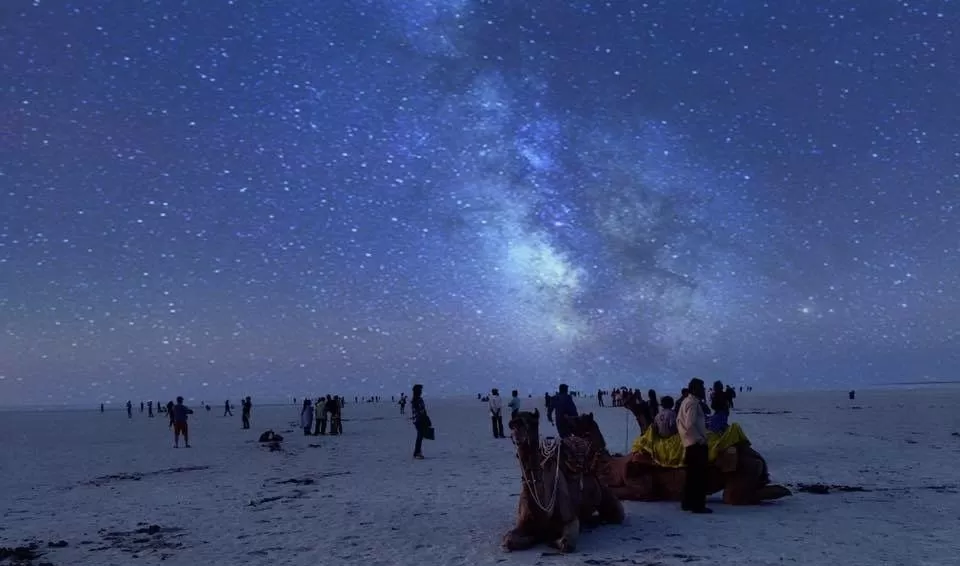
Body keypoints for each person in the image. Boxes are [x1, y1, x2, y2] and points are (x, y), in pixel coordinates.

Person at [677, 378, 711, 514]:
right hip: (696, 444)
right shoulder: (693, 403)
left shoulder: (686, 401)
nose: (704, 390)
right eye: (702, 388)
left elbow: (680, 422)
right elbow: (690, 424)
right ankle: (698, 505)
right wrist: (699, 439)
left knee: (691, 475)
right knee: (699, 476)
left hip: (689, 443)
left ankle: (687, 503)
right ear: (696, 389)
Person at [411, 384, 430, 459]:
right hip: (419, 420)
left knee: (420, 436)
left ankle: (417, 452)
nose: (421, 391)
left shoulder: (416, 399)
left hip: (418, 419)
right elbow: (420, 411)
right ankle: (417, 453)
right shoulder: (417, 400)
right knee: (420, 436)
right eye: (420, 390)